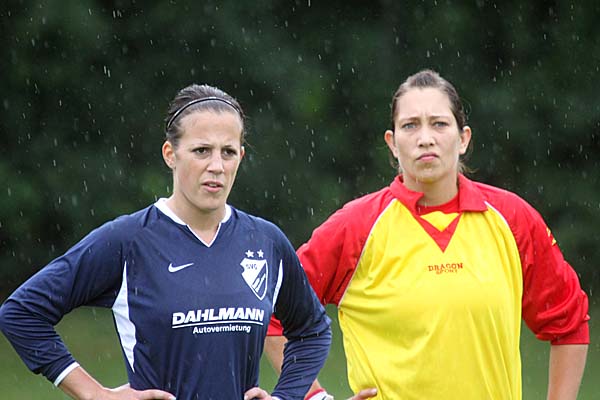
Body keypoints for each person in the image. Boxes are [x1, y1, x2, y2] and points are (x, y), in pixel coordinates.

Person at [265, 69, 590, 400]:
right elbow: (272, 311)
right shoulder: (355, 226)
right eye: (410, 125)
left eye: (439, 124)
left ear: (463, 139)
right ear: (392, 143)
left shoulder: (513, 219)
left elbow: (569, 322)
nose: (425, 138)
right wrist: (314, 396)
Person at [0, 84, 332, 400]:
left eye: (228, 152)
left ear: (240, 157)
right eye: (201, 150)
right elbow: (22, 313)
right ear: (170, 154)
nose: (217, 166)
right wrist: (93, 392)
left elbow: (312, 330)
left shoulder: (265, 241)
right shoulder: (128, 241)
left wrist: (286, 395)